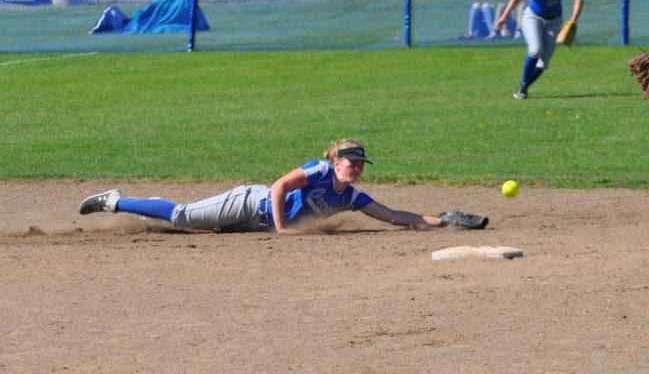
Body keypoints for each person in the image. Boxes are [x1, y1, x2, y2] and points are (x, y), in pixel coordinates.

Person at [78, 140, 488, 233]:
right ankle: (116, 201)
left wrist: (440, 220)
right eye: (352, 163)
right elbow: (277, 187)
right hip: (249, 203)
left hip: (255, 225)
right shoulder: (319, 171)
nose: (356, 170)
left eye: (360, 165)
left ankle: (138, 204)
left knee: (202, 229)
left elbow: (397, 216)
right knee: (183, 217)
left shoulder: (354, 198)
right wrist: (282, 230)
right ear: (336, 161)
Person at [493, 0, 583, 99]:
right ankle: (522, 89)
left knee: (544, 63)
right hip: (532, 17)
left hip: (554, 21)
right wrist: (504, 16)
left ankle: (523, 87)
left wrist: (573, 21)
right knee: (535, 50)